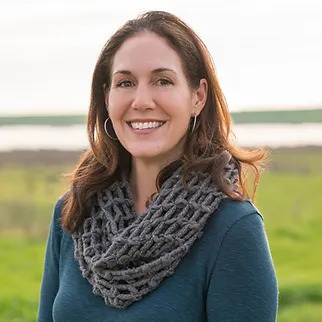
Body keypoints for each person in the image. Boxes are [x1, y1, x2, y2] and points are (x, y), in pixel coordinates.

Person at [37, 10, 278, 322]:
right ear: (107, 97)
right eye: (125, 83)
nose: (141, 101)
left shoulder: (233, 228)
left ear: (198, 97)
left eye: (163, 81)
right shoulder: (74, 210)